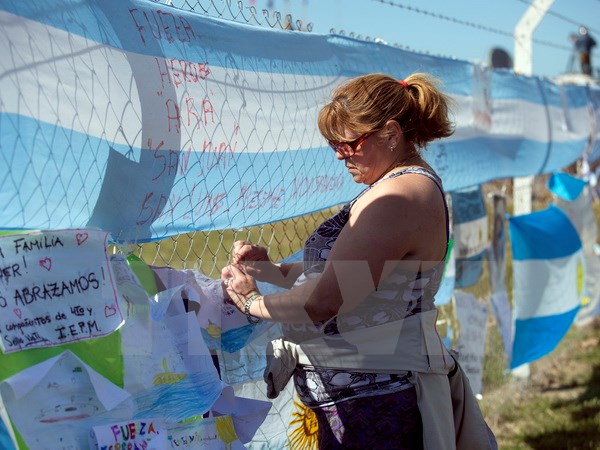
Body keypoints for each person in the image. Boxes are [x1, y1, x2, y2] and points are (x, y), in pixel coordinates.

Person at [222, 73, 497, 449]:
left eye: (348, 142)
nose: (339, 153)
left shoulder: (399, 196)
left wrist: (254, 301)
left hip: (379, 406)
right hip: (368, 398)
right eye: (332, 143)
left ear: (390, 132)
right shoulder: (394, 186)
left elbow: (325, 301)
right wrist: (273, 272)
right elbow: (357, 274)